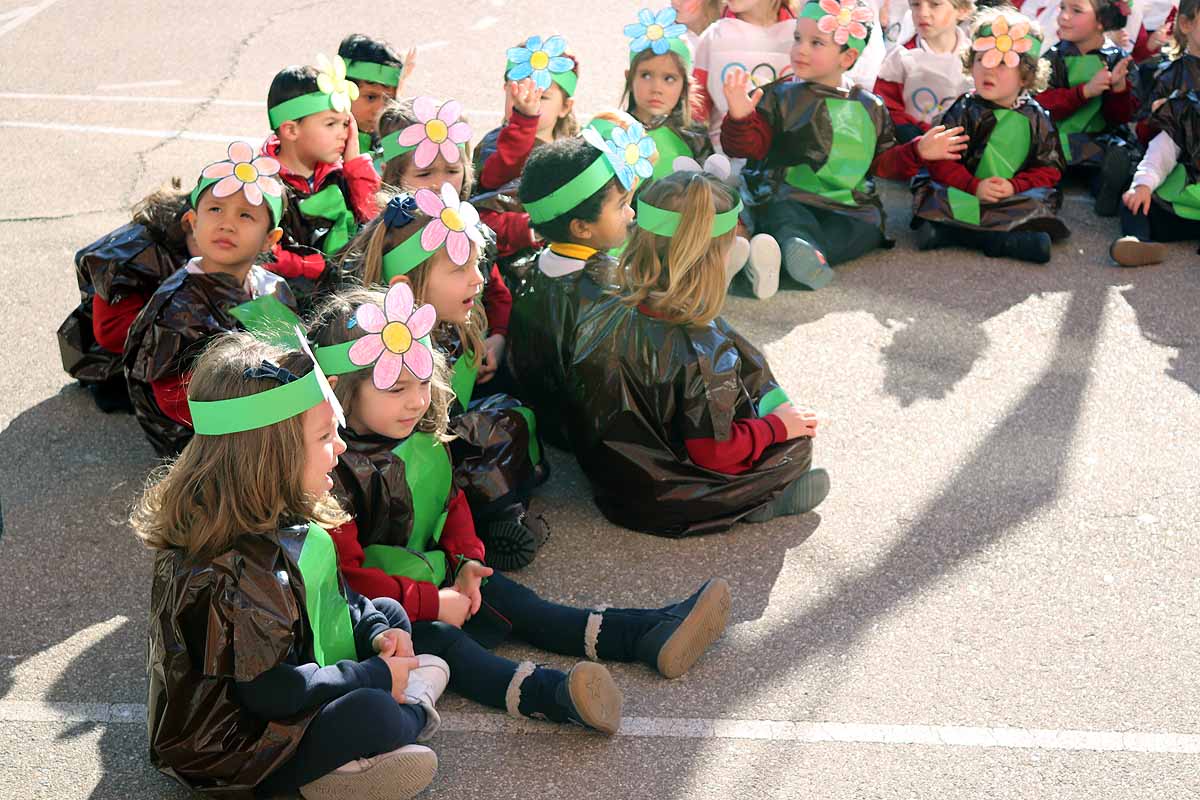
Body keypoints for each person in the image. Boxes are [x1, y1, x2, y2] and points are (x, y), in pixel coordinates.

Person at [308, 285, 732, 734]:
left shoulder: (415, 435)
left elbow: (450, 504)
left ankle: (647, 633)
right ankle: (555, 696)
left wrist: (469, 558)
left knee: (522, 604)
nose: (416, 401)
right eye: (397, 388)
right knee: (447, 646)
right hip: (377, 619)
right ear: (340, 394)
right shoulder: (329, 469)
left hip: (436, 581)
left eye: (421, 383)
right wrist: (433, 603)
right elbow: (347, 580)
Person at [133, 331, 448, 799]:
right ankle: (402, 717)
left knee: (388, 613)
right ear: (269, 456)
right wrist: (374, 676)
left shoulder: (271, 512)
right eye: (324, 435)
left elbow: (333, 598)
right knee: (373, 713)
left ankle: (352, 757)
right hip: (232, 748)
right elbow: (272, 694)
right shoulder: (233, 571)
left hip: (289, 679)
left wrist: (376, 631)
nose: (340, 447)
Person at [566, 167, 830, 537]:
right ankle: (759, 499)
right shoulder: (702, 348)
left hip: (611, 476)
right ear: (711, 262)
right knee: (796, 449)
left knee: (732, 349)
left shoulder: (610, 304)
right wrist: (775, 428)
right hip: (663, 496)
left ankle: (766, 422)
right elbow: (713, 452)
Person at [339, 190, 550, 569]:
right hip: (399, 468)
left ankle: (498, 517)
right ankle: (502, 518)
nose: (476, 280)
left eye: (476, 265)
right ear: (406, 286)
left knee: (512, 416)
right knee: (495, 433)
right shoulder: (374, 347)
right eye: (459, 269)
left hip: (439, 443)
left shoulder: (453, 324)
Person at [720, 0, 969, 294]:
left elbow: (883, 162)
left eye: (816, 43)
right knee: (785, 217)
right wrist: (740, 118)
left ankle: (781, 260)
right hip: (790, 194)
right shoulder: (780, 95)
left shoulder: (870, 105)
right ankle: (790, 255)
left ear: (848, 56)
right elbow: (749, 147)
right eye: (798, 38)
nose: (801, 49)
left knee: (866, 230)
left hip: (850, 206)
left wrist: (917, 151)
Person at [124, 143, 300, 456]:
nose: (227, 223)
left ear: (270, 239)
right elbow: (167, 397)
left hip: (269, 417)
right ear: (193, 222)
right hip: (213, 441)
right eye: (215, 209)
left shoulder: (271, 288)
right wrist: (253, 416)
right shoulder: (176, 306)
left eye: (246, 215)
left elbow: (292, 354)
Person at [508, 132, 638, 449]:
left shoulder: (534, 267)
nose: (631, 214)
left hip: (547, 418)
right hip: (590, 431)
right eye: (621, 205)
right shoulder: (605, 289)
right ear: (581, 228)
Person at [911, 8, 1070, 263]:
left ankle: (952, 234)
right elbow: (940, 161)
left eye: (1003, 62)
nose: (989, 70)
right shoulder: (963, 108)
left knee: (1040, 202)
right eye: (981, 59)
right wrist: (974, 186)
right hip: (964, 189)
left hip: (1008, 197)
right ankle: (1005, 240)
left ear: (1026, 75)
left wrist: (1013, 186)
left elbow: (1049, 170)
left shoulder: (1037, 118)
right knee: (933, 192)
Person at [375, 97, 512, 387]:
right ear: (392, 176)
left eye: (452, 170)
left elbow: (496, 293)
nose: (441, 184)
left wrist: (496, 337)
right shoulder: (387, 240)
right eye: (424, 174)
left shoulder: (473, 229)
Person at [58, 182, 196, 412]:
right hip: (124, 364)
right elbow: (110, 333)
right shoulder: (137, 257)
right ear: (189, 221)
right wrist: (186, 326)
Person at [262, 55, 381, 305]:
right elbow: (266, 256)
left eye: (345, 124)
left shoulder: (341, 176)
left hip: (343, 292)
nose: (343, 133)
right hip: (292, 301)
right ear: (291, 130)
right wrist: (322, 266)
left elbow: (373, 221)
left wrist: (355, 164)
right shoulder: (264, 185)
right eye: (331, 124)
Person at [469, 35, 582, 284]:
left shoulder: (575, 153)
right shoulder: (492, 145)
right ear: (506, 90)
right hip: (505, 271)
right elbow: (493, 180)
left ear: (565, 106)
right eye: (518, 91)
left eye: (542, 97)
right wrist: (524, 122)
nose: (526, 101)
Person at [1035, 0, 1139, 216]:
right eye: (1062, 8)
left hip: (1098, 138)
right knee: (1042, 161)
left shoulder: (1117, 59)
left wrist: (1119, 89)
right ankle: (1044, 193)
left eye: (1076, 10)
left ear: (1102, 21)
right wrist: (1083, 92)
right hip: (1058, 140)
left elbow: (1121, 116)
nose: (1063, 16)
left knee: (1121, 154)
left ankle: (1105, 188)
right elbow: (1041, 104)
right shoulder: (1054, 57)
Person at [1110, 90, 1200, 265]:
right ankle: (1139, 241)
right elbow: (1159, 155)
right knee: (1134, 200)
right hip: (1175, 207)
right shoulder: (1187, 114)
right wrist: (1143, 186)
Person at [873, 0, 976, 142]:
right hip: (914, 152)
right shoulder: (900, 58)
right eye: (916, 4)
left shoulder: (977, 59)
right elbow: (888, 111)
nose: (923, 13)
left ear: (963, 9)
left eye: (935, 4)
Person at [338, 33, 416, 168]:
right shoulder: (328, 146)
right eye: (370, 97)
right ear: (342, 91)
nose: (380, 110)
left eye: (389, 100)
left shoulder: (391, 140)